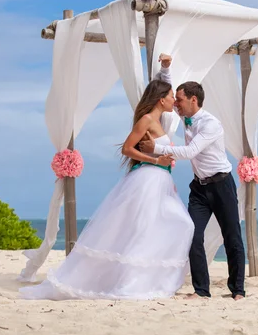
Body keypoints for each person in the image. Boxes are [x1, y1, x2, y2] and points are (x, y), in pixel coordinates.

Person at [19, 55, 195, 301]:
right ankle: (131, 282)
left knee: (178, 225)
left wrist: (167, 68)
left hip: (160, 182)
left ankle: (148, 279)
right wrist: (157, 161)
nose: (173, 101)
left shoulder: (160, 121)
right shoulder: (146, 120)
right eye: (170, 97)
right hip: (147, 181)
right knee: (142, 230)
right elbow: (127, 149)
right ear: (160, 99)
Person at [139, 80, 246, 301]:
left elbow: (190, 151)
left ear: (193, 100)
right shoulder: (185, 116)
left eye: (179, 99)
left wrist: (155, 149)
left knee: (232, 236)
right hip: (199, 188)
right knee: (192, 234)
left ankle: (237, 290)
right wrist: (166, 68)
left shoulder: (210, 124)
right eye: (175, 99)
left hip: (221, 185)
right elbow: (164, 93)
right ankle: (201, 291)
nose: (175, 104)